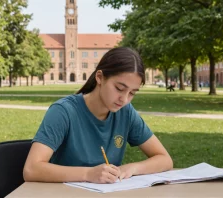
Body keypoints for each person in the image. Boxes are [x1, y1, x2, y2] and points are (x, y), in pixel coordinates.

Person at [23, 47, 173, 184]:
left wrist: (132, 168)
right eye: (120, 88)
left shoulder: (125, 112)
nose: (125, 99)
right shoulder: (63, 112)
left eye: (132, 93)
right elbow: (31, 169)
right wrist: (88, 173)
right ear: (100, 77)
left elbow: (165, 159)